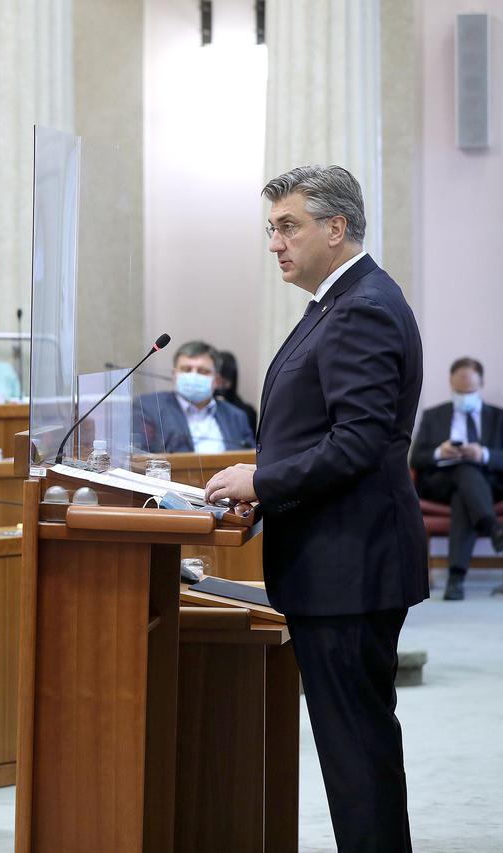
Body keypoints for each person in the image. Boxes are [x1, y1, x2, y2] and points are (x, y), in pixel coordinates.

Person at [205, 165, 425, 853]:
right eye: (272, 228)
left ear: (337, 227)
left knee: (356, 748)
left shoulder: (361, 307)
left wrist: (262, 480)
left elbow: (356, 441)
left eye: (289, 226)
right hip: (338, 557)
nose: (276, 242)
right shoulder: (338, 301)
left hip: (350, 563)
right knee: (355, 746)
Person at [410, 357, 503, 600]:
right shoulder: (433, 415)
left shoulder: (498, 417)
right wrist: (441, 451)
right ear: (451, 385)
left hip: (487, 485)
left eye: (470, 391)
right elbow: (416, 459)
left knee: (465, 484)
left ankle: (456, 579)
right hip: (440, 483)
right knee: (464, 471)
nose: (464, 395)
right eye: (458, 391)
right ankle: (493, 527)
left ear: (481, 384)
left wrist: (482, 454)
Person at [131, 340, 255, 453]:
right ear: (174, 375)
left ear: (216, 380)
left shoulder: (236, 417)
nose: (193, 376)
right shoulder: (148, 408)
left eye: (202, 371)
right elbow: (140, 458)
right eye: (186, 369)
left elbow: (251, 460)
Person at [214, 349, 257, 435]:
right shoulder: (200, 409)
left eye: (224, 381)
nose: (220, 386)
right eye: (217, 380)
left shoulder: (245, 413)